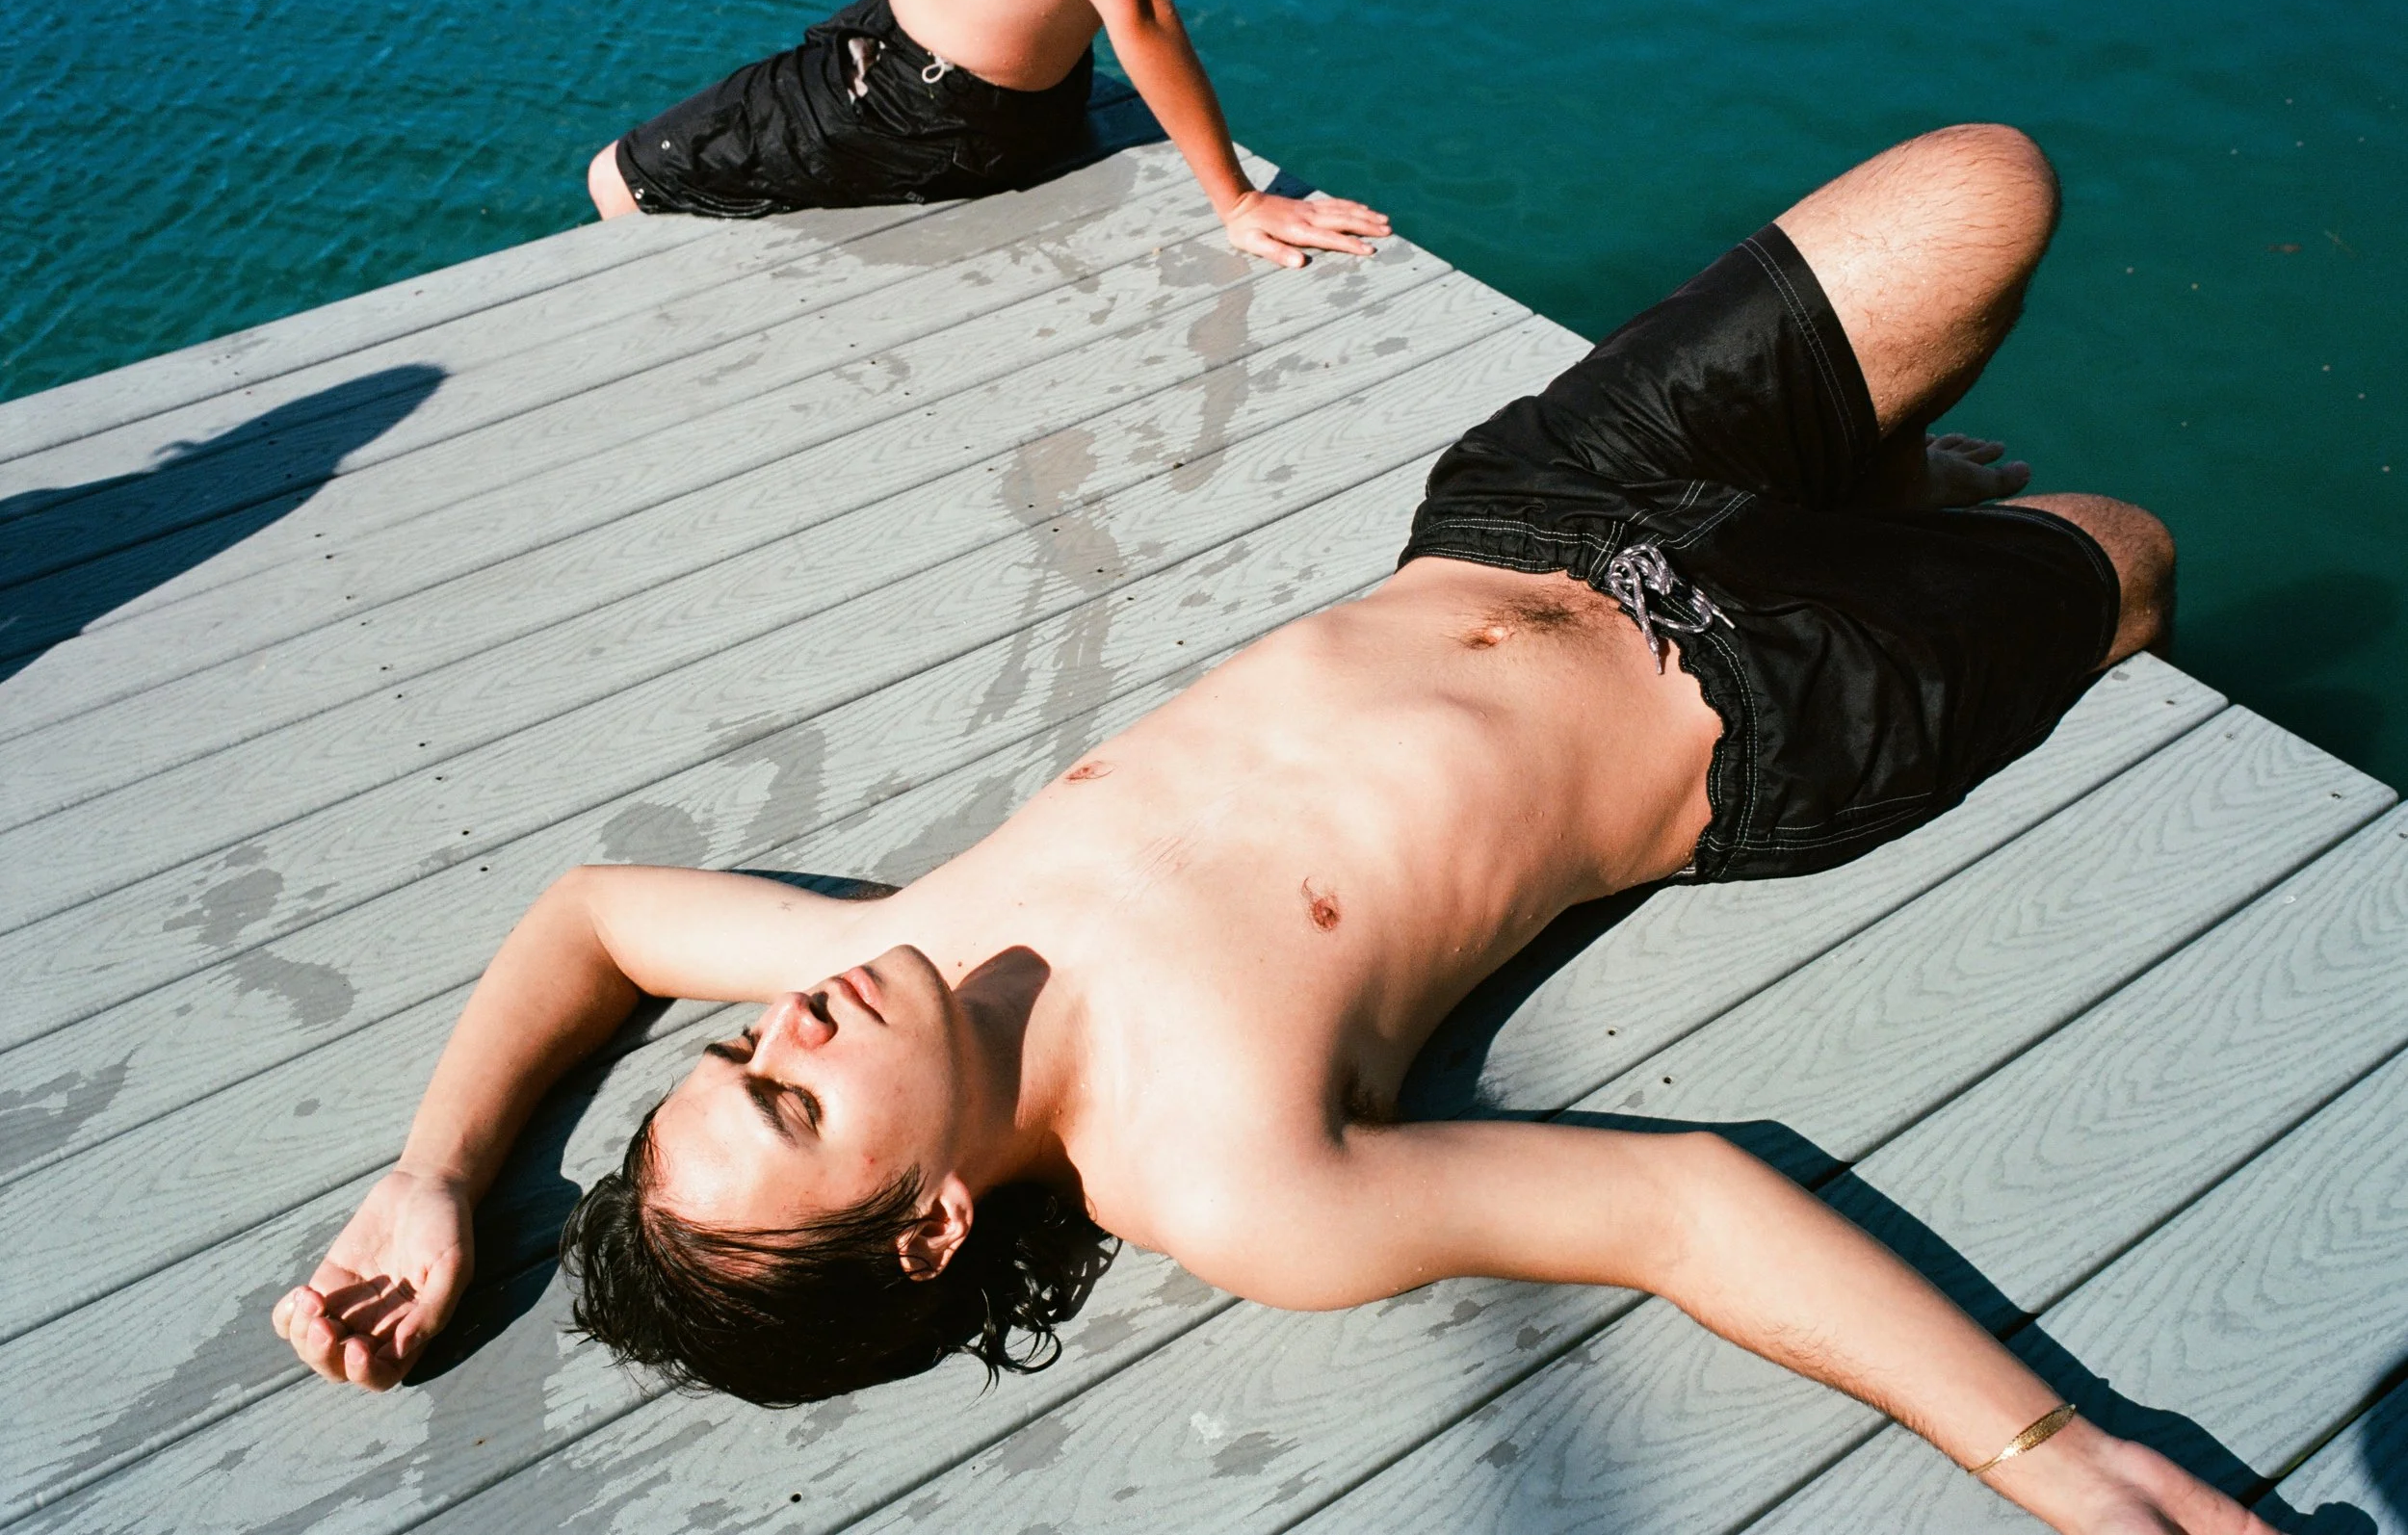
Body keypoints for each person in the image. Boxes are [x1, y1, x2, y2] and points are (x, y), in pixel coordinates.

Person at [275, 124, 2270, 1534]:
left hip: (1538, 507)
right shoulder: (1226, 1178)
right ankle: (1880, 530)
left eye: (737, 1050)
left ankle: (1865, 481)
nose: (779, 1030)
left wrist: (436, 1176)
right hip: (1758, 709)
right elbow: (1679, 1211)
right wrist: (2042, 1455)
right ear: (928, 1222)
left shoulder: (873, 965)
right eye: (789, 1099)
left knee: (1984, 180)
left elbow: (597, 916)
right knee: (2128, 553)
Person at [583, 0, 1389, 270]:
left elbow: (1142, 8)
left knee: (618, 177)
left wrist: (1239, 200)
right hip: (934, 77)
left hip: (919, 109)